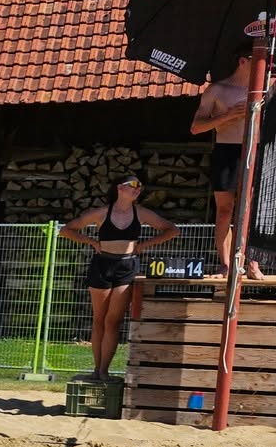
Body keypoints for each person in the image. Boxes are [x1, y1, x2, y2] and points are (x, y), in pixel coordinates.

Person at [59, 176, 179, 379]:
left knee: (112, 321)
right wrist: (91, 241)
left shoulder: (140, 212)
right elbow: (66, 230)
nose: (137, 188)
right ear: (119, 188)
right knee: (98, 319)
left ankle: (104, 369)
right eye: (133, 185)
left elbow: (172, 230)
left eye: (140, 186)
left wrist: (143, 246)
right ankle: (96, 369)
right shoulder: (101, 213)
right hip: (101, 264)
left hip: (127, 266)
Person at [191, 40, 263, 279]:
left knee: (250, 211)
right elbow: (196, 127)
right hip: (226, 150)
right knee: (225, 210)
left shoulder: (265, 89)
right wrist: (227, 116)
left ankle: (251, 262)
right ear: (243, 61)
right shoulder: (217, 90)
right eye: (256, 61)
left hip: (254, 150)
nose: (262, 66)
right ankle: (225, 264)